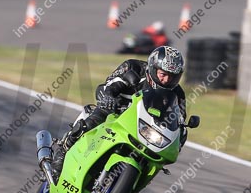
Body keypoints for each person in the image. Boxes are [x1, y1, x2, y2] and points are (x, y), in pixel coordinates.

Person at [57, 45, 188, 158]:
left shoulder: (178, 94)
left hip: (143, 126)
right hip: (116, 107)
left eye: (173, 77)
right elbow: (110, 85)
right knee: (100, 113)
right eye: (163, 74)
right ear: (153, 69)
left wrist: (179, 139)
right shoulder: (133, 67)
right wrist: (109, 97)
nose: (166, 80)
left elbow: (180, 121)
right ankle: (63, 150)